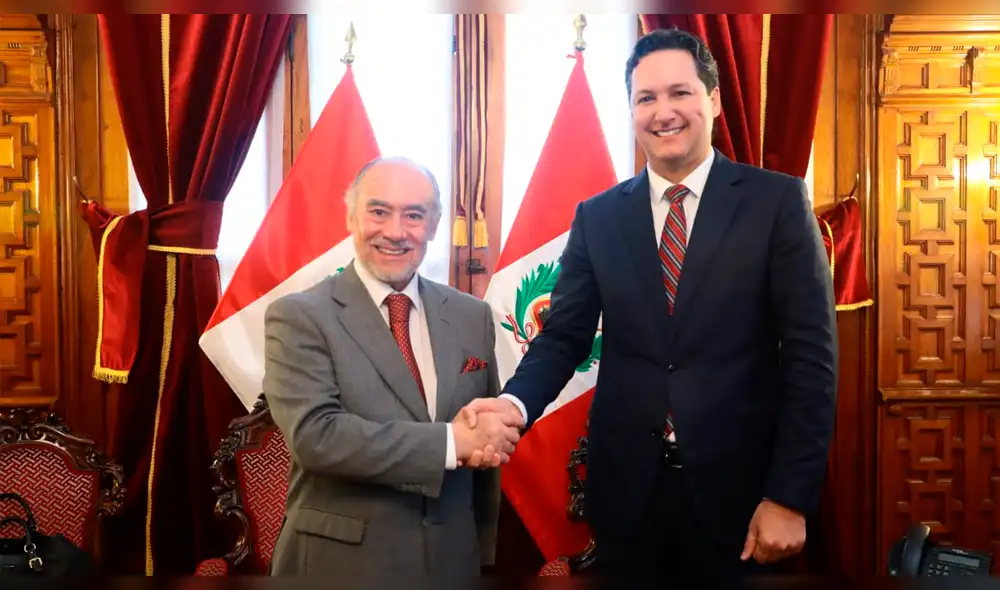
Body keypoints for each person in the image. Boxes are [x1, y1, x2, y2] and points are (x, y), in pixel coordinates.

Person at [466, 28, 838, 578]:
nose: (662, 111)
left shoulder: (775, 202)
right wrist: (515, 405)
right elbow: (564, 335)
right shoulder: (599, 216)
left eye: (679, 92)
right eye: (646, 98)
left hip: (743, 496)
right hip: (626, 496)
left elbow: (812, 359)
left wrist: (790, 495)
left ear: (712, 99)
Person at [263, 157, 523, 578]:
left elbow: (483, 452)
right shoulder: (298, 316)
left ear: (435, 226)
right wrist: (449, 442)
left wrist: (478, 551)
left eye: (414, 215)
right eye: (379, 211)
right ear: (351, 217)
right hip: (342, 569)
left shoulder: (472, 316)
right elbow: (316, 436)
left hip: (452, 564)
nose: (396, 231)